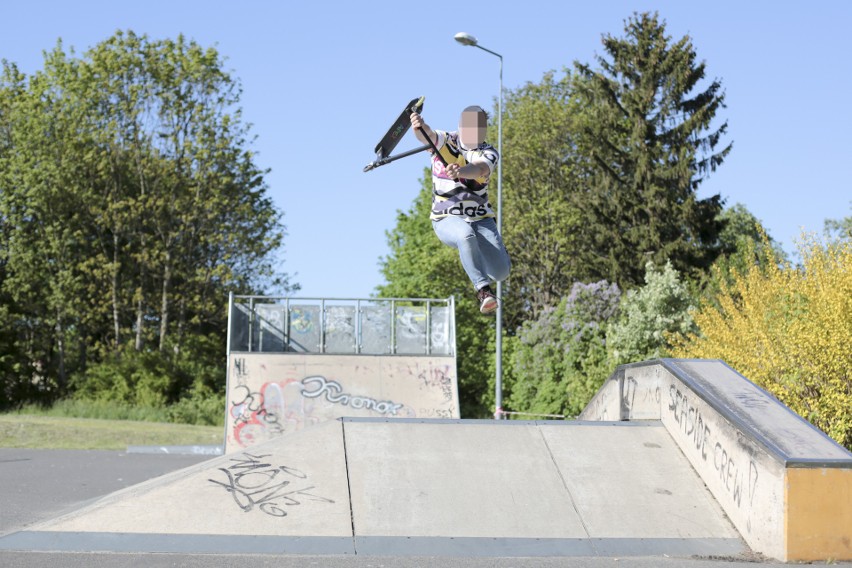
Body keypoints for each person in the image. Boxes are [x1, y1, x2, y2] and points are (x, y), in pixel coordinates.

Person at [410, 106, 510, 315]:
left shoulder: (488, 152)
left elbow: (480, 169)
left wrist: (460, 171)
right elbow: (426, 134)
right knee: (465, 235)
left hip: (481, 218)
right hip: (446, 217)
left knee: (501, 272)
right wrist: (418, 124)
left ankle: (481, 252)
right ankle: (483, 290)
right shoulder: (446, 140)